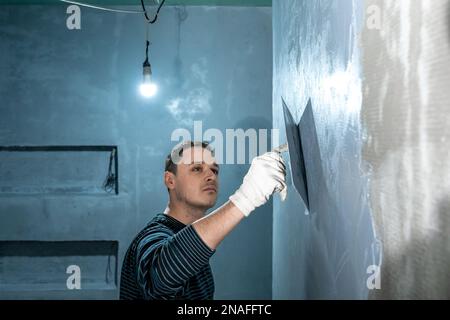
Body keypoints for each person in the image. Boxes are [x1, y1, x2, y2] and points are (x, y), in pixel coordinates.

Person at [120, 140, 287, 300]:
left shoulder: (198, 246)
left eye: (214, 170)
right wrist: (246, 198)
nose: (211, 176)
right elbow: (161, 278)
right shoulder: (151, 237)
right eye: (197, 168)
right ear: (170, 180)